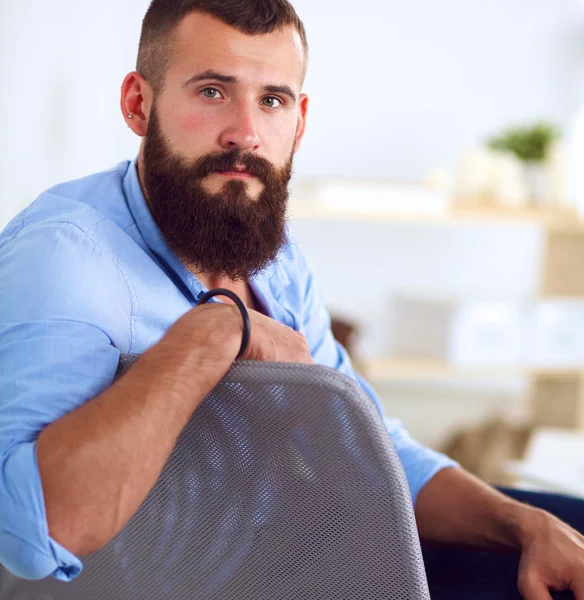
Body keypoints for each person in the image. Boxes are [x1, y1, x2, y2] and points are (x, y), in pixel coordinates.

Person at [0, 1, 583, 598]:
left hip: (301, 549)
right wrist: (215, 333)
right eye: (211, 92)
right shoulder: (65, 256)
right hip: (204, 580)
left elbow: (370, 450)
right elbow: (30, 537)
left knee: (566, 526)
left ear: (299, 121)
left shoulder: (270, 253)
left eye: (271, 100)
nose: (245, 134)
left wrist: (522, 524)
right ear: (137, 104)